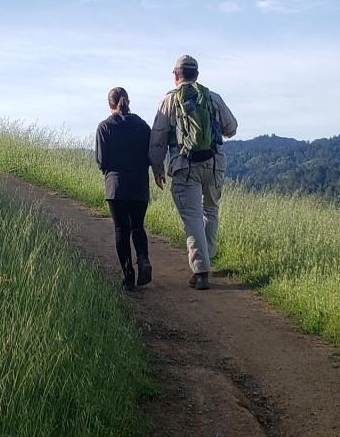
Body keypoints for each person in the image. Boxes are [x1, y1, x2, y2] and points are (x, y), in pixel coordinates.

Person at [149, 55, 237, 290]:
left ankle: (201, 271)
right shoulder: (213, 97)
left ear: (176, 75)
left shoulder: (169, 100)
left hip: (185, 166)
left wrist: (157, 168)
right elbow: (232, 128)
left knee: (192, 217)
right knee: (211, 210)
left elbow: (158, 139)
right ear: (196, 74)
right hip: (215, 163)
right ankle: (207, 258)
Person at [96, 87, 152, 291]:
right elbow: (150, 155)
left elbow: (102, 161)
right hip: (139, 185)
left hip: (116, 187)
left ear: (110, 104)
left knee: (121, 230)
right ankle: (143, 258)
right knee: (138, 226)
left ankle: (129, 278)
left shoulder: (104, 127)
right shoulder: (143, 126)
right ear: (128, 100)